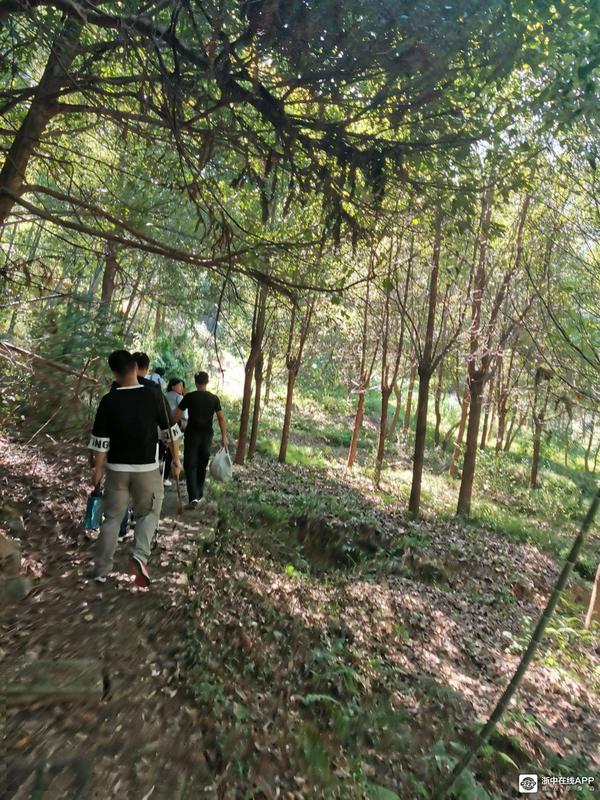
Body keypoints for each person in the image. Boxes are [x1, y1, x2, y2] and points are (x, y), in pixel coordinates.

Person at [89, 350, 181, 587]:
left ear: (115, 373)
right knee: (148, 513)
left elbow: (100, 441)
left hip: (116, 470)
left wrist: (97, 469)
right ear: (135, 367)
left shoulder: (109, 400)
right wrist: (176, 459)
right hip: (146, 469)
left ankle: (101, 570)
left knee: (111, 518)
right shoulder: (153, 395)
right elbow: (171, 432)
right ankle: (139, 555)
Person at [175, 371, 227, 509]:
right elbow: (221, 419)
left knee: (190, 465)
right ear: (207, 382)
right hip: (207, 437)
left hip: (192, 435)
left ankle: (193, 497)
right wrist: (224, 437)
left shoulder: (189, 397)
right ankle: (198, 494)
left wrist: (174, 428)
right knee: (202, 466)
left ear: (196, 382)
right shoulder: (214, 399)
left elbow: (176, 415)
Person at [163, 377, 188, 486]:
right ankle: (165, 477)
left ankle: (160, 474)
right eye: (179, 385)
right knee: (171, 452)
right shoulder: (179, 397)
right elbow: (185, 415)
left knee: (162, 451)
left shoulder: (164, 395)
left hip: (161, 426)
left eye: (182, 386)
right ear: (173, 386)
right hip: (173, 427)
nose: (181, 388)